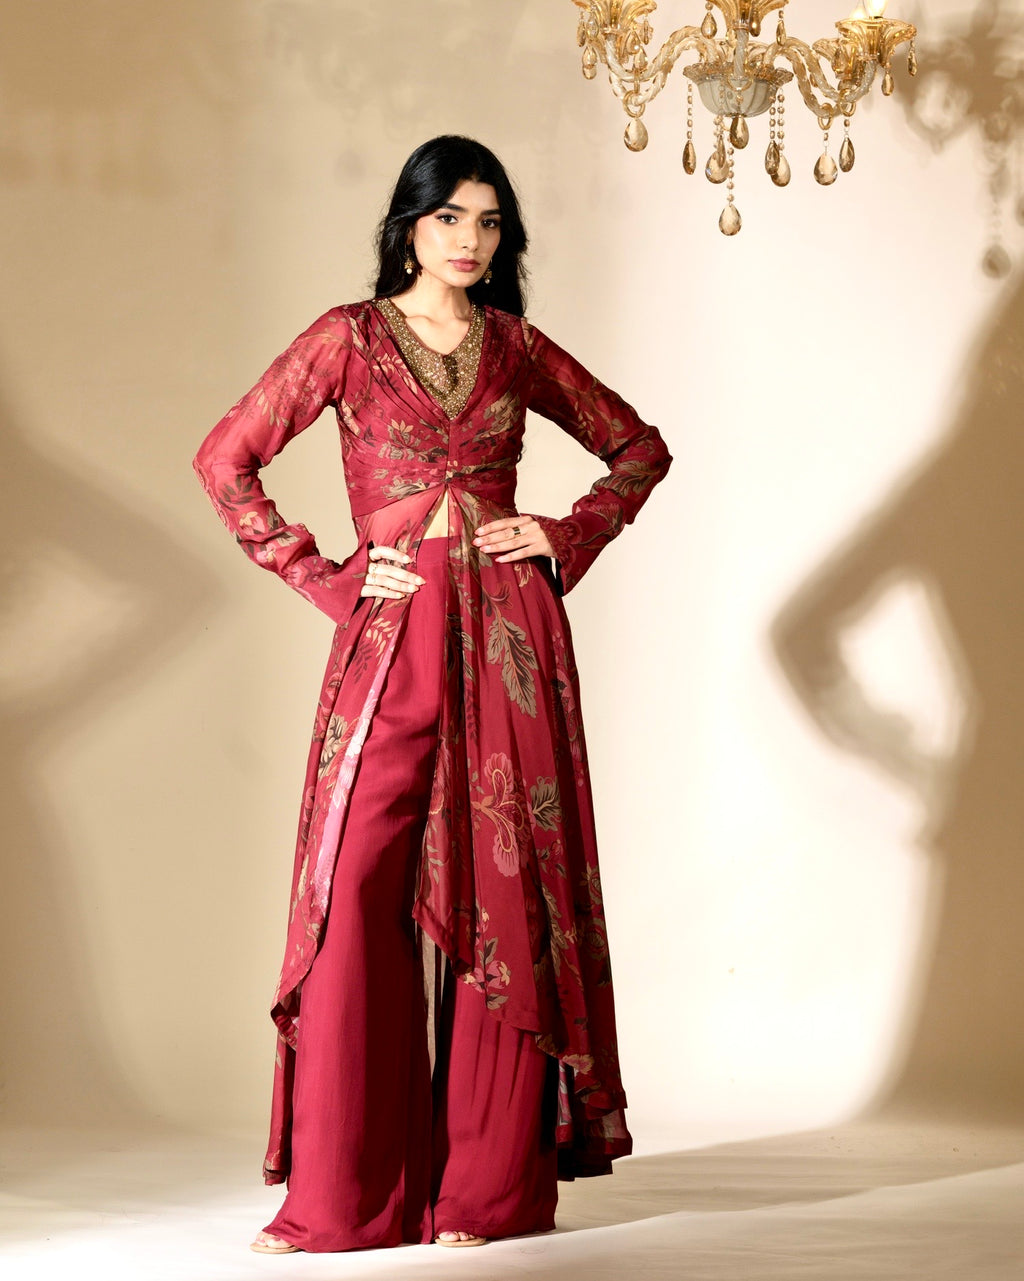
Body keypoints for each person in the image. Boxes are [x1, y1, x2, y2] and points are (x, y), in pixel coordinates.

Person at [193, 135, 672, 1255]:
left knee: (503, 900)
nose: (471, 241)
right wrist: (326, 575)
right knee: (357, 888)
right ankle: (347, 1196)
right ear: (408, 224)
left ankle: (487, 1195)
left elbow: (636, 450)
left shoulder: (512, 347)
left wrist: (561, 534)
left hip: (508, 638)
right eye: (450, 218)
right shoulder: (347, 340)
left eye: (490, 222)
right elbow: (226, 458)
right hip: (393, 639)